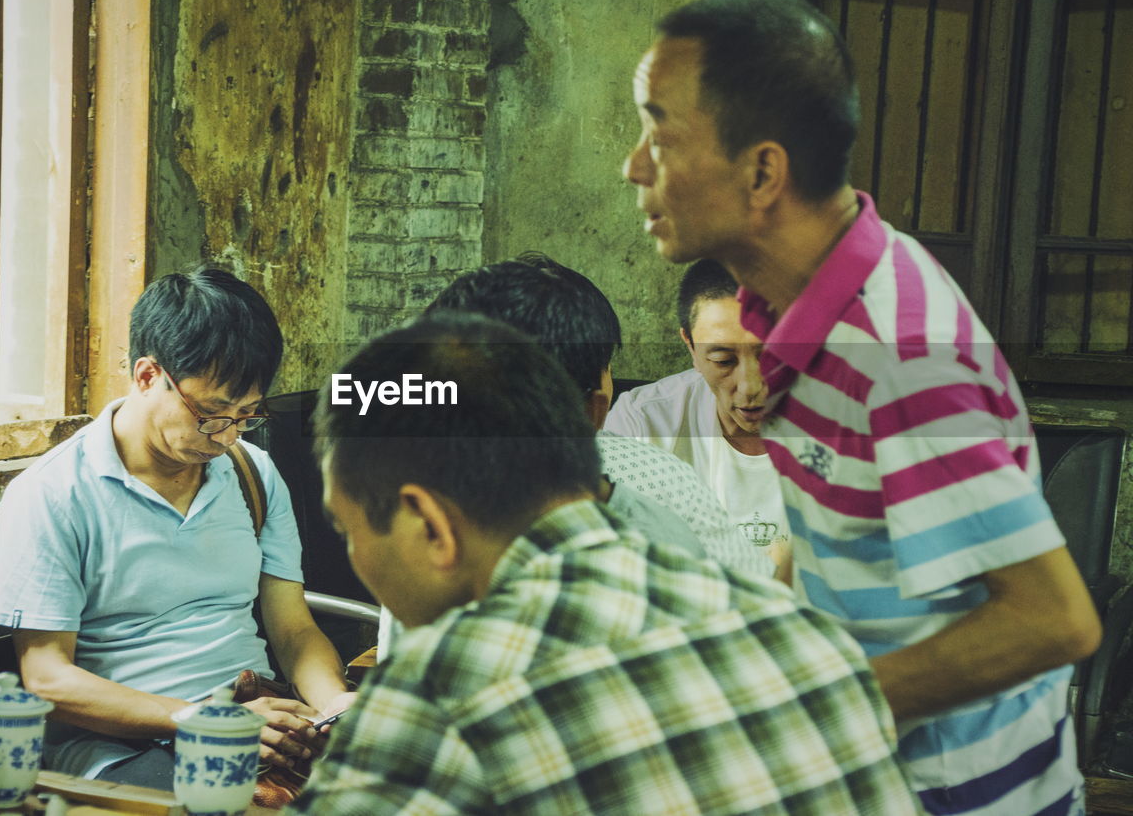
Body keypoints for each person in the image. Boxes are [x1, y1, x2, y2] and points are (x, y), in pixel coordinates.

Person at [622, 0, 1100, 814]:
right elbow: (833, 531)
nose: (633, 166)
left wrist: (805, 712)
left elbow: (1052, 621)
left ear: (762, 171)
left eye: (658, 136)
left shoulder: (899, 358)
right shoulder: (794, 311)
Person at [292, 311, 919, 814]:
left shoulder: (444, 691)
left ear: (429, 524)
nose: (354, 555)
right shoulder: (797, 631)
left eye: (346, 527)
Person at [0, 267, 355, 788]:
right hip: (129, 746)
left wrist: (333, 702)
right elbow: (48, 679)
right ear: (146, 376)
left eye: (247, 414)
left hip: (257, 713)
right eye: (211, 414)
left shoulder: (252, 473)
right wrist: (204, 721)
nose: (228, 435)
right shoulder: (54, 492)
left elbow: (293, 630)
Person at [428, 253, 773, 577]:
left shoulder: (416, 514)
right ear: (595, 411)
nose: (750, 387)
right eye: (724, 360)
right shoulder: (662, 486)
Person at [606, 259, 791, 580]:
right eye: (723, 360)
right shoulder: (644, 422)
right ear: (690, 346)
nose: (750, 386)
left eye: (771, 354)